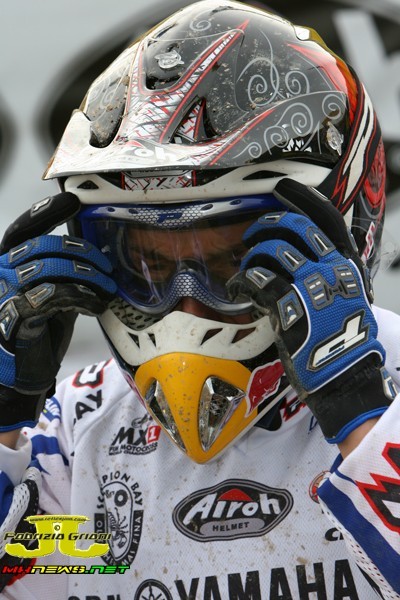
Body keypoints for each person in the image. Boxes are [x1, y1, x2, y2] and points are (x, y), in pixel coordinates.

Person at [0, 0, 399, 597]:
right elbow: (29, 579)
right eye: (151, 266)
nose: (183, 311)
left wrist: (360, 412)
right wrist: (3, 417)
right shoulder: (81, 432)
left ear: (339, 227)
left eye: (230, 265)